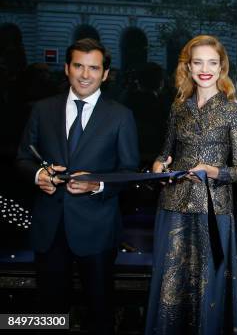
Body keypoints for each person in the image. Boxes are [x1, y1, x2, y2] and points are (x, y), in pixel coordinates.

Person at [15, 38, 139, 334]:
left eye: (94, 68)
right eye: (79, 66)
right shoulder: (42, 110)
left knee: (100, 310)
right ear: (67, 68)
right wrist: (38, 176)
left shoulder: (121, 116)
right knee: (48, 312)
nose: (85, 75)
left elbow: (130, 172)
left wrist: (96, 185)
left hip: (97, 230)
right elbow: (22, 158)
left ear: (105, 74)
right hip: (50, 227)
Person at [145, 35, 237, 334]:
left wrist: (212, 171)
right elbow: (165, 152)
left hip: (213, 211)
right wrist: (158, 165)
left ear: (222, 68)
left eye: (212, 63)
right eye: (198, 62)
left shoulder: (233, 110)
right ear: (188, 67)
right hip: (173, 206)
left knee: (209, 291)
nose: (205, 69)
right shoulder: (178, 108)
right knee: (170, 287)